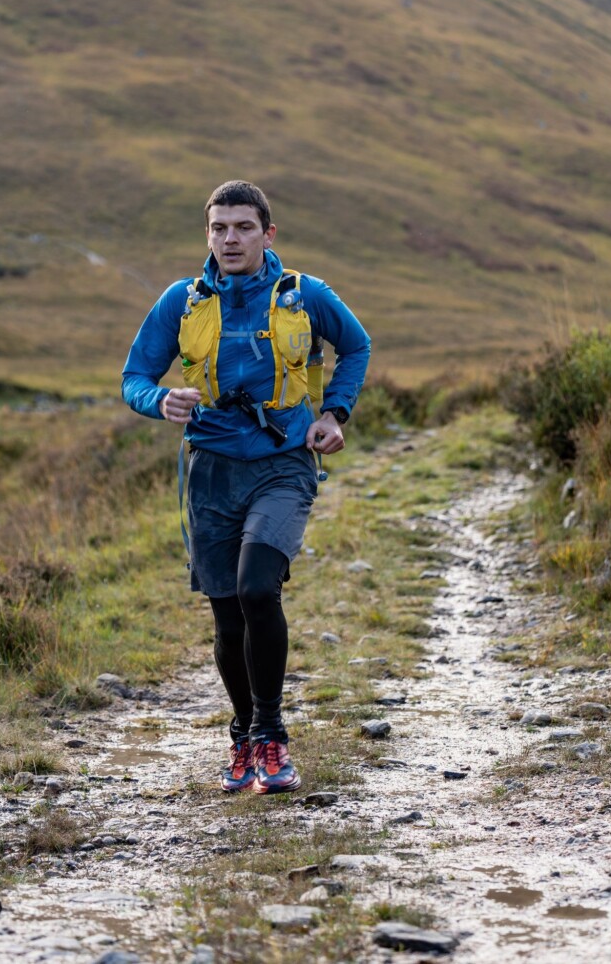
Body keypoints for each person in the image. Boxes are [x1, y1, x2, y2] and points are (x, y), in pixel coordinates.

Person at [122, 179, 371, 794]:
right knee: (228, 619)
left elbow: (356, 345)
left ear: (268, 234)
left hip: (283, 462)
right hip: (209, 472)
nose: (229, 239)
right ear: (207, 234)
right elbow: (134, 377)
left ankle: (270, 733)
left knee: (258, 587)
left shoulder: (304, 296)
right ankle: (241, 736)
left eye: (243, 228)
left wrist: (333, 413)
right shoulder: (181, 301)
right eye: (218, 228)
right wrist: (160, 400)